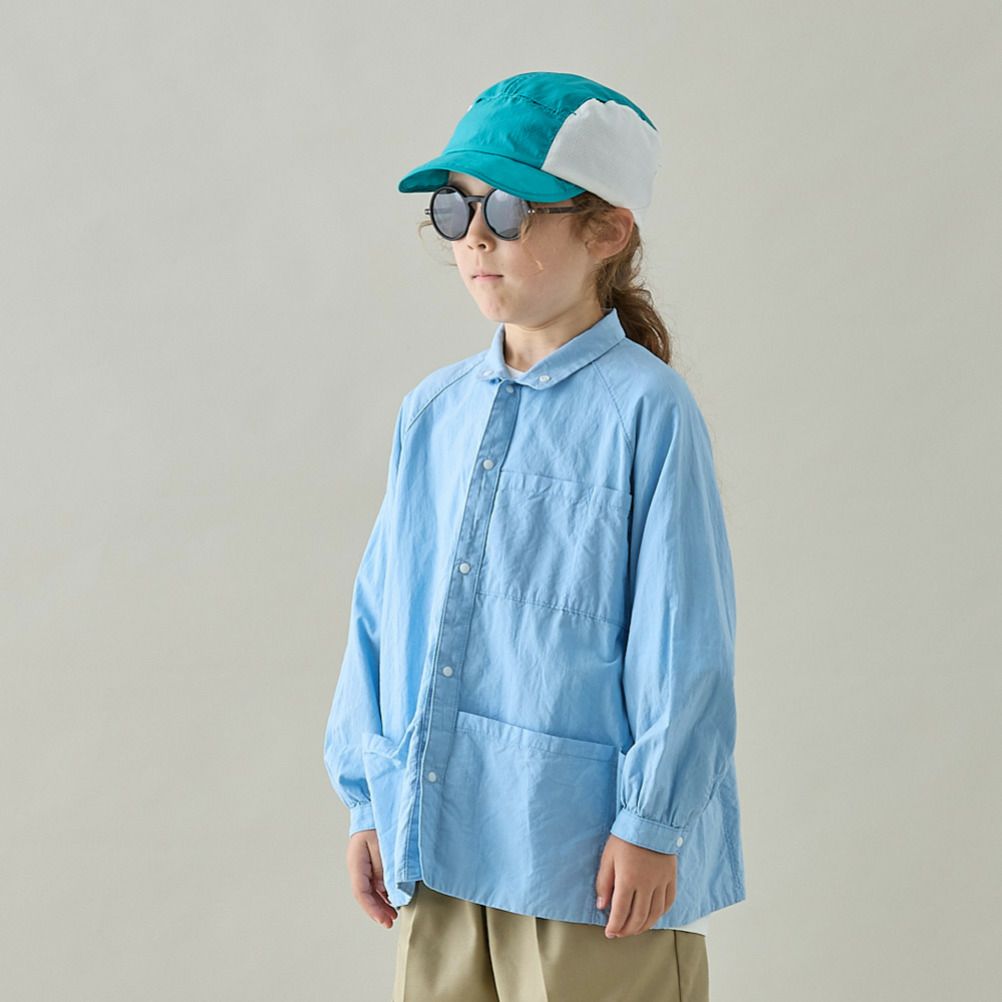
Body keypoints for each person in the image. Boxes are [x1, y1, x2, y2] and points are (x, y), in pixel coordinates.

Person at [323, 70, 746, 1002]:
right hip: (436, 842)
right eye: (456, 208)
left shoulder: (648, 411)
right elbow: (380, 615)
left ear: (607, 231)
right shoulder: (432, 412)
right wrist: (366, 795)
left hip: (586, 865)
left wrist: (652, 821)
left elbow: (683, 637)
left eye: (511, 209)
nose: (476, 237)